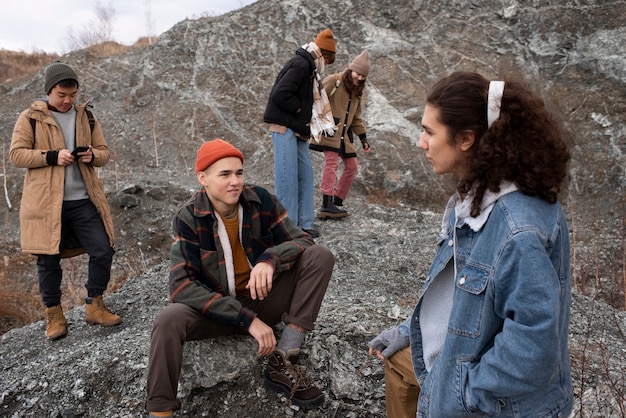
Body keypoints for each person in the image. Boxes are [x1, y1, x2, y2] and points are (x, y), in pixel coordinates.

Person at [368, 71, 573, 418]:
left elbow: (534, 343)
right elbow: (458, 300)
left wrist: (465, 393)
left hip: (502, 407)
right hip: (458, 370)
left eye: (429, 132)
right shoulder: (478, 201)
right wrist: (409, 331)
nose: (421, 143)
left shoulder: (516, 230)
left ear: (465, 139)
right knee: (400, 365)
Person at [145, 139, 335, 417]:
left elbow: (303, 241)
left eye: (239, 173)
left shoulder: (260, 200)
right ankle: (160, 411)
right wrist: (246, 320)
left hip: (263, 299)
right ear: (203, 178)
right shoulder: (189, 216)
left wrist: (269, 260)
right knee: (167, 320)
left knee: (320, 256)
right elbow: (181, 286)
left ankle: (284, 360)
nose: (235, 181)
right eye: (225, 174)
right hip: (218, 312)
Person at [9, 61, 121, 341]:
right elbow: (16, 155)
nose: (68, 100)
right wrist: (52, 156)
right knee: (47, 261)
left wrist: (92, 155)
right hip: (46, 204)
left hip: (84, 200)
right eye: (61, 95)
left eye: (72, 95)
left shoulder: (87, 117)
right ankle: (54, 316)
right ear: (49, 91)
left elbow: (105, 153)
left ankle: (94, 305)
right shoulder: (30, 118)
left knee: (103, 249)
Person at [263, 28, 338, 238]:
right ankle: (287, 228)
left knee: (305, 176)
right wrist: (300, 111)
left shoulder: (310, 67)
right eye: (328, 61)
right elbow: (280, 94)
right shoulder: (301, 64)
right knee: (287, 178)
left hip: (298, 130)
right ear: (323, 55)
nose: (326, 66)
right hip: (285, 127)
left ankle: (304, 224)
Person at [310, 49, 371, 219]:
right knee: (332, 163)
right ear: (352, 69)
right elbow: (316, 97)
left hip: (345, 136)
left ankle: (337, 201)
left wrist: (363, 138)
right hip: (330, 131)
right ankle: (326, 204)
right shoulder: (334, 81)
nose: (359, 78)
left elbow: (356, 117)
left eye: (363, 76)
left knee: (352, 166)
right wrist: (321, 121)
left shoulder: (357, 91)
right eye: (358, 73)